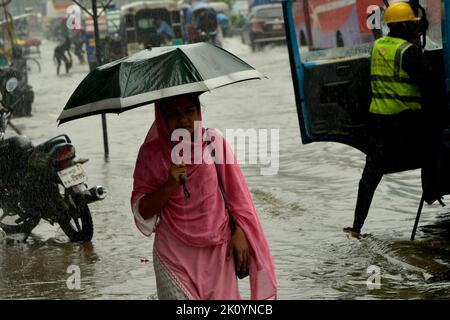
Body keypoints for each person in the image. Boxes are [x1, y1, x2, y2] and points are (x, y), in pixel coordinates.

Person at [130, 93, 277, 299]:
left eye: (190, 111)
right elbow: (143, 211)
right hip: (173, 256)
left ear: (199, 112)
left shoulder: (214, 142)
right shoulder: (151, 154)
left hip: (219, 253)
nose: (184, 120)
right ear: (162, 118)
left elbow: (238, 197)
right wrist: (169, 185)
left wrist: (240, 232)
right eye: (174, 114)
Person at [344, 2, 431, 237]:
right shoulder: (408, 51)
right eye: (412, 25)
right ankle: (432, 193)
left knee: (371, 174)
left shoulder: (378, 45)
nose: (416, 29)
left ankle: (356, 226)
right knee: (438, 148)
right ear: (405, 26)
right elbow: (427, 84)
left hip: (379, 122)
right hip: (406, 122)